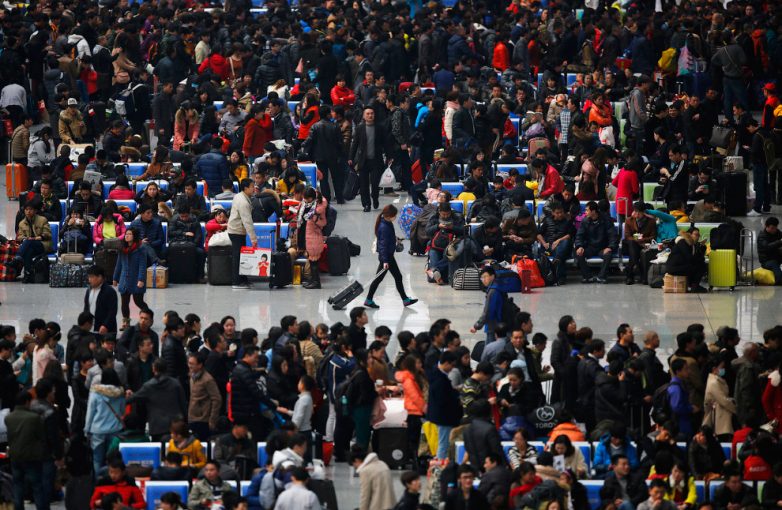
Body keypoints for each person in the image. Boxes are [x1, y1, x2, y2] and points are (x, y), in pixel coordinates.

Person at [364, 205, 418, 308]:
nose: (395, 217)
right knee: (381, 279)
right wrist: (385, 261)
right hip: (387, 257)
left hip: (388, 256)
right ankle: (369, 300)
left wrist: (395, 239)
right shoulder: (384, 227)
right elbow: (383, 245)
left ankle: (405, 300)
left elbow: (387, 238)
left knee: (395, 277)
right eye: (394, 215)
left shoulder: (386, 222)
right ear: (389, 216)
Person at [5, 391, 48, 510]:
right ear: (27, 402)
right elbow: (41, 437)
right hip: (32, 456)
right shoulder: (34, 418)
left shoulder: (9, 418)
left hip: (15, 455)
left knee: (17, 485)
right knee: (37, 486)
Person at [126, 358, 187, 441]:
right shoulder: (176, 384)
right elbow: (183, 404)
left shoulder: (148, 386)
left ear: (154, 369)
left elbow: (133, 398)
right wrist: (185, 421)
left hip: (157, 426)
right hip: (175, 425)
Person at [349, 106, 392, 212]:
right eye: (367, 114)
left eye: (372, 113)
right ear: (364, 116)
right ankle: (366, 204)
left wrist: (389, 156)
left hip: (376, 160)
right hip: (363, 161)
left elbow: (386, 143)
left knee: (375, 182)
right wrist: (351, 157)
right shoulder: (359, 128)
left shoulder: (380, 128)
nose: (370, 115)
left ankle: (375, 197)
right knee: (363, 185)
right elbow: (355, 144)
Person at [85, 368, 126, 475]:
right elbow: (122, 411)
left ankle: (99, 481)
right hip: (115, 430)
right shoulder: (120, 393)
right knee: (112, 460)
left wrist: (86, 430)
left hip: (97, 430)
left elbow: (90, 413)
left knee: (97, 459)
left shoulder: (95, 393)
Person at [427, 351, 464, 460]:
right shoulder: (440, 379)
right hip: (443, 416)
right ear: (446, 363)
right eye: (452, 365)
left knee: (443, 442)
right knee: (443, 443)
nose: (452, 368)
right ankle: (440, 466)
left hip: (439, 415)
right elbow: (442, 399)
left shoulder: (436, 373)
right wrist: (455, 398)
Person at [304, 104, 344, 203]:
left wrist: (303, 145)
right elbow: (340, 142)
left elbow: (310, 140)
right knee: (336, 177)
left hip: (320, 156)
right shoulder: (335, 126)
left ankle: (326, 198)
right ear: (327, 114)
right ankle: (339, 197)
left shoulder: (315, 126)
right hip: (333, 156)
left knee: (323, 179)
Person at [112, 228, 148, 330]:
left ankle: (148, 316)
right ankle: (126, 323)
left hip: (136, 278)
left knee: (138, 301)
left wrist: (141, 279)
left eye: (129, 234)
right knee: (124, 302)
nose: (127, 236)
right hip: (124, 279)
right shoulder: (122, 248)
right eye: (126, 234)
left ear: (134, 236)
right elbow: (119, 264)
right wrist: (115, 278)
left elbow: (142, 265)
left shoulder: (141, 248)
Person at [574, 201, 618, 283]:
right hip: (590, 247)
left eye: (587, 210)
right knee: (578, 253)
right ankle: (587, 277)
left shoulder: (606, 220)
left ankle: (602, 277)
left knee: (608, 255)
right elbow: (579, 236)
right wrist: (579, 246)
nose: (585, 212)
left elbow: (613, 235)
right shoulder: (585, 221)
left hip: (603, 247)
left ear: (593, 211)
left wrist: (610, 247)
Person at [227, 179, 257, 289]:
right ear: (245, 188)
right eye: (252, 186)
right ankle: (236, 282)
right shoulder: (243, 202)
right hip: (236, 231)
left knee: (241, 257)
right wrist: (253, 238)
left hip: (237, 230)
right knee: (238, 257)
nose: (254, 188)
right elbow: (247, 221)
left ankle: (243, 280)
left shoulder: (239, 195)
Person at [15, 200, 53, 282]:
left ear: (35, 211)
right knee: (28, 251)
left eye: (30, 209)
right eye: (26, 209)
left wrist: (36, 238)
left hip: (43, 245)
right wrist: (25, 239)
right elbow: (20, 236)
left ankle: (17, 258)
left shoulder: (42, 220)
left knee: (28, 242)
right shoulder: (21, 223)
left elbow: (48, 234)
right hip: (30, 246)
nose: (28, 211)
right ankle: (28, 275)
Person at [187, 353, 222, 441]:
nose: (189, 366)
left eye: (192, 364)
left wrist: (212, 420)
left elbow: (217, 399)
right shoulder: (192, 377)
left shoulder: (208, 380)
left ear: (200, 365)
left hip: (203, 420)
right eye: (189, 363)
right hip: (192, 418)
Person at [350, 444, 396, 510]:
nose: (355, 467)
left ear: (357, 460)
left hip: (378, 506)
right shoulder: (382, 463)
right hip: (391, 505)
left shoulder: (365, 471)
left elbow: (365, 495)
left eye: (354, 465)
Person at [299, 188, 328, 290]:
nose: (305, 200)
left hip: (314, 237)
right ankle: (313, 280)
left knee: (314, 260)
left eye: (307, 199)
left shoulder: (318, 209)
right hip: (308, 235)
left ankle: (316, 282)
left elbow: (323, 223)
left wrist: (315, 219)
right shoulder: (307, 205)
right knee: (311, 260)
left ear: (312, 198)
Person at [666, 227, 708, 293]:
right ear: (689, 234)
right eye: (696, 235)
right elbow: (690, 258)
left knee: (700, 264)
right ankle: (695, 286)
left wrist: (702, 247)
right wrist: (699, 258)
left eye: (698, 235)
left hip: (681, 265)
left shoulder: (692, 244)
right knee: (700, 266)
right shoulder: (682, 242)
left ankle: (693, 285)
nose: (697, 237)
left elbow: (697, 257)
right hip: (674, 268)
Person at [84, 265, 118, 335]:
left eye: (91, 277)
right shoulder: (89, 290)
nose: (89, 280)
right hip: (91, 329)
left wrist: (105, 325)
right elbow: (86, 307)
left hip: (106, 330)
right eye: (89, 277)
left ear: (100, 277)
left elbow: (112, 311)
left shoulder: (110, 292)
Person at [758, 217, 782, 285]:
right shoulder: (762, 236)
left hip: (777, 257)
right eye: (772, 228)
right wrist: (780, 242)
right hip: (766, 261)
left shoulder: (777, 232)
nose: (774, 230)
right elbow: (767, 247)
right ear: (766, 226)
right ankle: (779, 280)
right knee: (774, 264)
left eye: (775, 228)